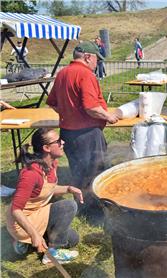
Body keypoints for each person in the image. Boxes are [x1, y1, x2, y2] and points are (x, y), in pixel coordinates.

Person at [46, 41, 119, 225]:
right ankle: (96, 215)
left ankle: (81, 207)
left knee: (78, 172)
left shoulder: (62, 73)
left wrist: (68, 113)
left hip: (68, 134)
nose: (97, 63)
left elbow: (52, 102)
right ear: (87, 57)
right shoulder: (85, 74)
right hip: (87, 135)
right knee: (95, 172)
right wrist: (108, 116)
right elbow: (91, 107)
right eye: (96, 59)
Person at [6, 128, 83, 264]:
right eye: (58, 141)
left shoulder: (52, 163)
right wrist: (34, 234)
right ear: (47, 148)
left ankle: (25, 244)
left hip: (37, 213)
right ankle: (51, 254)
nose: (63, 142)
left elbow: (47, 189)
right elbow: (16, 210)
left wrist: (69, 189)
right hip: (21, 222)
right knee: (68, 206)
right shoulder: (30, 174)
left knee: (73, 239)